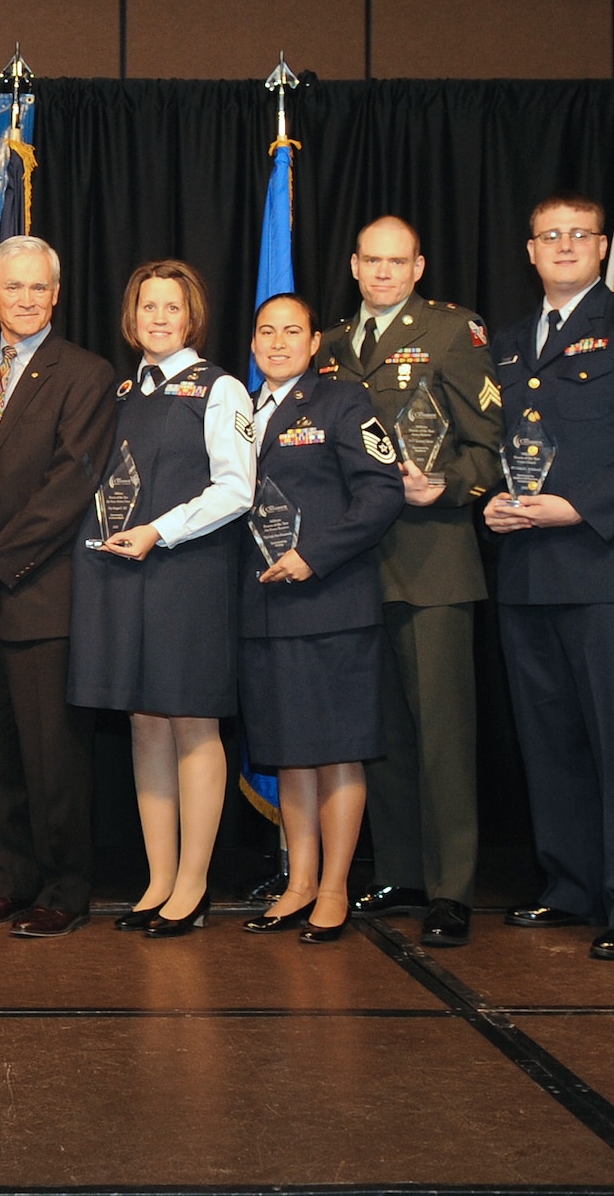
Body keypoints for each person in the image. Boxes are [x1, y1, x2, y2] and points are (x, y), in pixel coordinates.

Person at [483, 192, 614, 961]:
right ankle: (572, 887)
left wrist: (577, 506)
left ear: (602, 247)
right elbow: (500, 447)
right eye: (550, 236)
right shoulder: (508, 344)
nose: (565, 245)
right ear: (530, 251)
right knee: (553, 742)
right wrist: (494, 504)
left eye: (579, 234)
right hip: (531, 575)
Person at [317, 216, 503, 947]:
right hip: (353, 569)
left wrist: (450, 483)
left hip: (432, 560)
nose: (385, 273)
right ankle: (401, 870)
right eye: (372, 261)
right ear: (356, 266)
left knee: (444, 735)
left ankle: (453, 886)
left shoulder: (455, 333)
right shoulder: (330, 347)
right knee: (382, 731)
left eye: (398, 261)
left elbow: (490, 448)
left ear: (419, 266)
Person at [67, 260, 256, 938]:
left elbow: (237, 490)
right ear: (132, 316)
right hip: (124, 577)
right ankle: (158, 878)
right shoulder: (121, 392)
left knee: (191, 722)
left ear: (191, 316)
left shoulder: (222, 388)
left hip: (188, 575)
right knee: (145, 723)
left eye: (171, 307)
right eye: (147, 306)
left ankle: (194, 883)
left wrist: (160, 531)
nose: (158, 318)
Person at [0, 236, 117, 938]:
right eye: (11, 287)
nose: (24, 299)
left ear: (56, 296)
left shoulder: (85, 374)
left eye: (37, 288)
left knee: (53, 755)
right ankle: (10, 875)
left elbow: (72, 483)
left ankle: (63, 885)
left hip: (42, 589)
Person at [239, 294, 404, 943]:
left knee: (336, 753)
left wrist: (314, 556)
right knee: (290, 755)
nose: (277, 343)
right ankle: (300, 882)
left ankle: (335, 888)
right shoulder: (238, 412)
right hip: (262, 609)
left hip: (329, 604)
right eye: (266, 331)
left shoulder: (344, 402)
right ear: (253, 343)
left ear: (314, 344)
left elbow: (382, 493)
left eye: (291, 332)